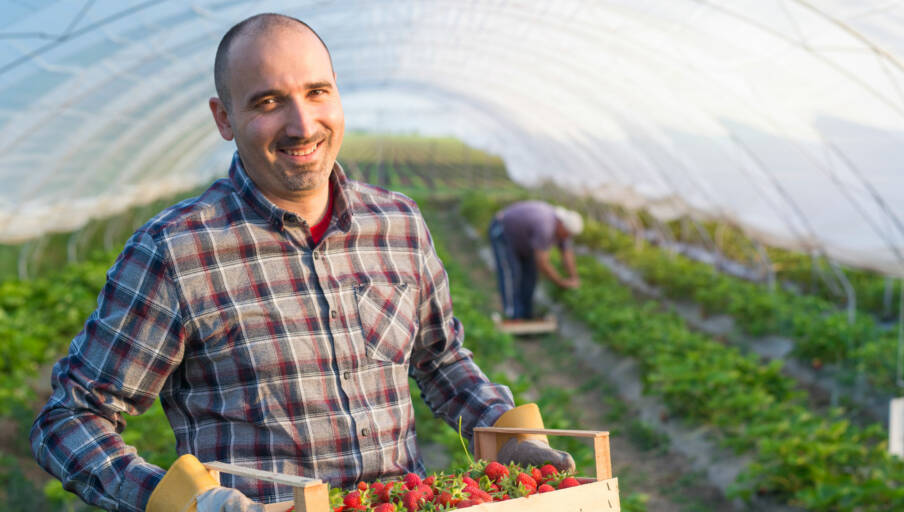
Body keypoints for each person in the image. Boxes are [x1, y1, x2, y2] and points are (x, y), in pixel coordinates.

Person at [30, 13, 572, 512]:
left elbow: (440, 359)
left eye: (317, 93)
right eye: (268, 102)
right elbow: (70, 419)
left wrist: (506, 429)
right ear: (224, 118)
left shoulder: (399, 224)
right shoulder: (176, 251)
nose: (302, 124)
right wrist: (185, 502)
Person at [488, 201, 583, 320]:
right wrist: (560, 282)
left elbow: (567, 253)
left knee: (530, 276)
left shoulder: (562, 230)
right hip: (503, 232)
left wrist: (574, 277)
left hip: (524, 241)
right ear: (562, 225)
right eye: (567, 234)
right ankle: (513, 315)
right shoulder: (545, 226)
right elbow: (542, 263)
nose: (566, 237)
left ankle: (526, 314)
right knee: (511, 274)